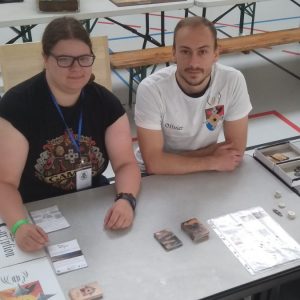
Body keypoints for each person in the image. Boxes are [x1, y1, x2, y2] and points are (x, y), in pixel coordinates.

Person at [0, 17, 140, 252]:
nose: (77, 68)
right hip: (35, 211)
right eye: (64, 59)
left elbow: (126, 163)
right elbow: (5, 183)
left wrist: (126, 200)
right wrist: (19, 226)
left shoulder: (106, 103)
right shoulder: (17, 106)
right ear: (45, 59)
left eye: (84, 59)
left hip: (92, 206)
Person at [135, 16, 252, 175]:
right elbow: (155, 164)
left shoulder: (232, 80)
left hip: (206, 170)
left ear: (216, 54)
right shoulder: (151, 90)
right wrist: (212, 159)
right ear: (174, 53)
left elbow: (236, 149)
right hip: (156, 177)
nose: (193, 63)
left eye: (202, 51)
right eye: (185, 51)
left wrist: (170, 160)